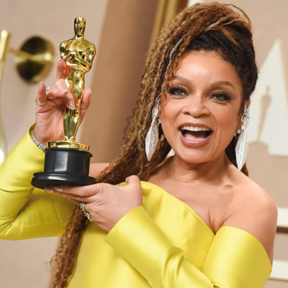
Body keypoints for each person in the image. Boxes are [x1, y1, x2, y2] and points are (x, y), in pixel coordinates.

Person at [0, 2, 277, 288]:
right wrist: (41, 139)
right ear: (160, 103)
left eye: (219, 96)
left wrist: (128, 223)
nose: (196, 109)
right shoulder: (111, 181)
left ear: (242, 111)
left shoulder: (249, 206)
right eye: (178, 90)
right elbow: (3, 219)